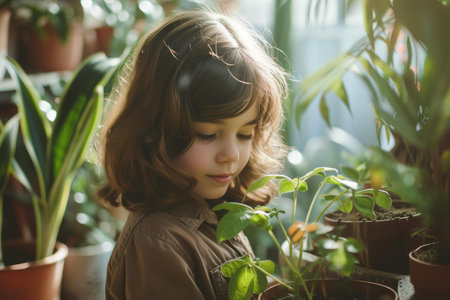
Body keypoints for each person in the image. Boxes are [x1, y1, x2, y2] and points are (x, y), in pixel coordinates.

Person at [98, 9, 288, 300]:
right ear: (153, 129)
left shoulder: (214, 211)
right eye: (207, 134)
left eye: (244, 134)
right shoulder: (157, 243)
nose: (231, 154)